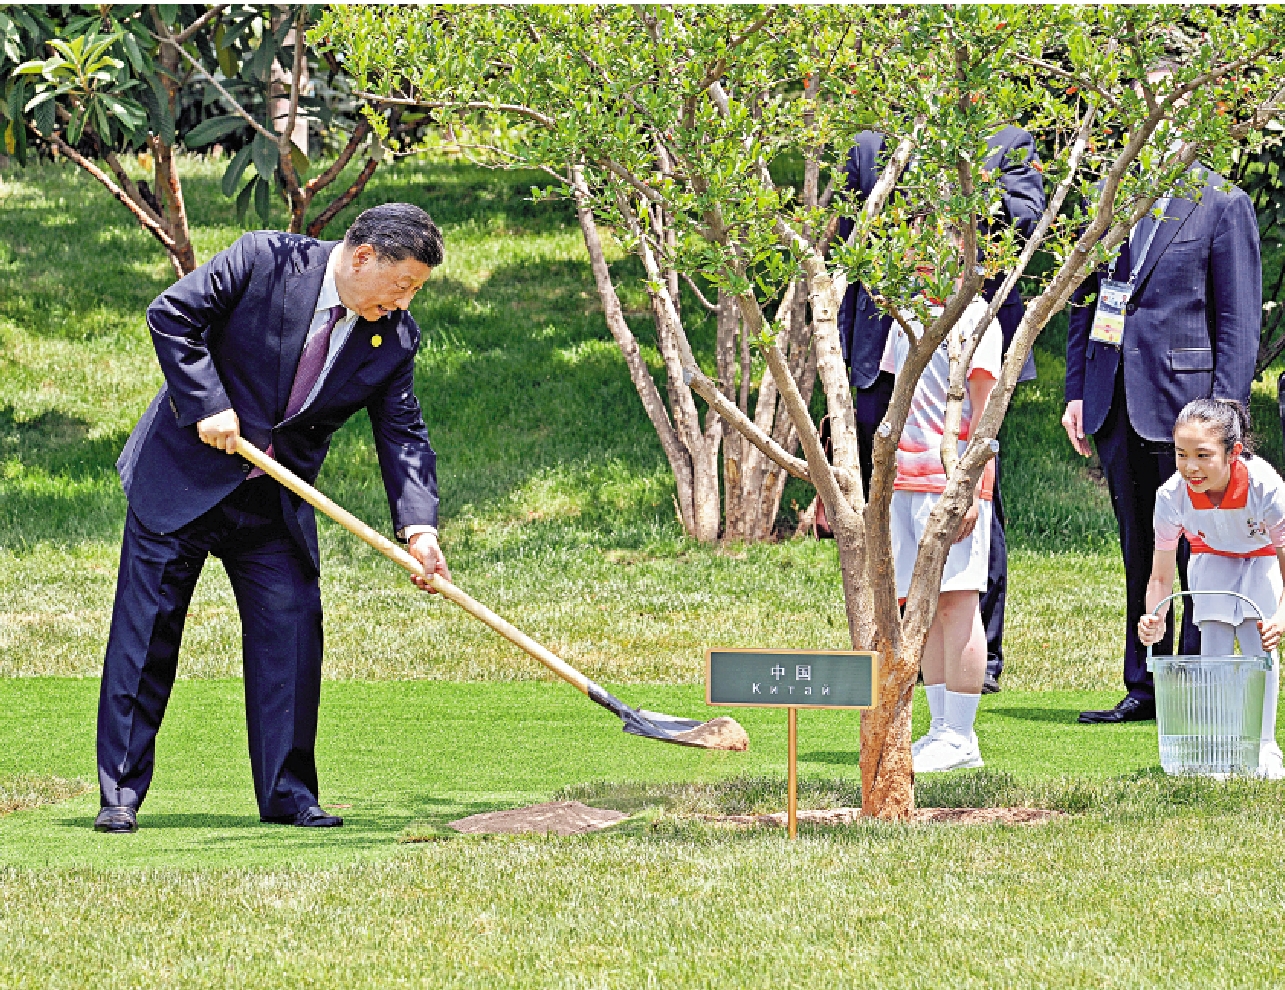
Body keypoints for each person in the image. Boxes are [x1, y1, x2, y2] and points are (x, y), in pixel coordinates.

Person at [95, 203, 451, 833]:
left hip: (273, 501)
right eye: (402, 286)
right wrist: (206, 402)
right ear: (363, 256)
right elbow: (172, 316)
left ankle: (288, 794)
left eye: (416, 291)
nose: (403, 302)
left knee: (290, 634)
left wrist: (420, 528)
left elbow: (403, 432)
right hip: (182, 479)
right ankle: (119, 792)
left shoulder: (393, 336)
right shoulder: (265, 259)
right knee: (148, 635)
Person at [835, 126, 1044, 694]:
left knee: (965, 548)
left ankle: (981, 667)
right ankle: (911, 673)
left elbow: (1025, 223)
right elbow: (849, 254)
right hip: (889, 339)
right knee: (906, 561)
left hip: (958, 349)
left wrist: (965, 190)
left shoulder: (1001, 140)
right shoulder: (872, 145)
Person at [1065, 161, 1261, 725]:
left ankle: (1197, 682)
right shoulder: (1109, 191)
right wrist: (1078, 389)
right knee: (1139, 549)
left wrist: (1224, 418)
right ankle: (1145, 683)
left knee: (1200, 551)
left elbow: (1239, 321)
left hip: (1188, 408)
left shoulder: (1222, 202)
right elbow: (1089, 297)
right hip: (1115, 399)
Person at [880, 293, 1003, 773]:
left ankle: (961, 735)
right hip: (905, 482)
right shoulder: (905, 310)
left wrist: (968, 484)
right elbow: (901, 395)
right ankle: (938, 731)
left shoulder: (975, 316)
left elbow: (985, 412)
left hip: (949, 482)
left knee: (958, 602)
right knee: (921, 604)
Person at [1138, 399, 1285, 778]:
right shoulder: (1171, 496)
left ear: (1234, 452)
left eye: (1203, 455)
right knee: (1214, 643)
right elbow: (1159, 577)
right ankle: (1221, 746)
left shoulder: (1264, 485)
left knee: (1259, 644)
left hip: (1264, 555)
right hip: (1212, 556)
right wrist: (1154, 617)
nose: (1191, 467)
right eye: (1181, 454)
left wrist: (1280, 618)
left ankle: (1264, 746)